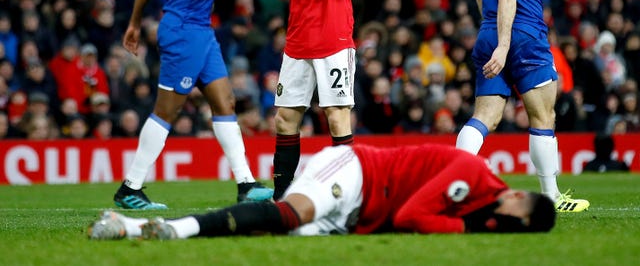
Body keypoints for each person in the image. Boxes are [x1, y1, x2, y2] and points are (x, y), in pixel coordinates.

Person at [112, 0, 273, 210]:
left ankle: (245, 184)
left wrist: (134, 22)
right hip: (185, 31)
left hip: (198, 31)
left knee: (225, 101)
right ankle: (130, 187)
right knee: (167, 110)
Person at [88, 142, 556, 240]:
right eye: (504, 225)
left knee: (272, 233)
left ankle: (127, 228)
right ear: (516, 197)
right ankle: (163, 228)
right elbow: (411, 216)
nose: (495, 228)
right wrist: (464, 230)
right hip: (356, 171)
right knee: (290, 214)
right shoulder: (471, 174)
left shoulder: (484, 203)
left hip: (357, 216)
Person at [454, 0, 589, 213]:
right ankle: (551, 196)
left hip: (488, 30)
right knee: (543, 116)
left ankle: (450, 179)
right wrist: (504, 44)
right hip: (523, 36)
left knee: (485, 117)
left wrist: (492, 34)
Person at [271, 0, 364, 200]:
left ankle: (347, 196)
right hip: (297, 45)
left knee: (337, 119)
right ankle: (281, 197)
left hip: (334, 44)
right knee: (285, 120)